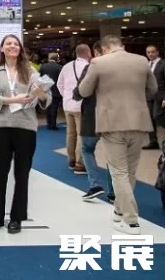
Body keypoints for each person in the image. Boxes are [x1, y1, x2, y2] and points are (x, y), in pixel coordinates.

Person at [78, 34, 157, 235]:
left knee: (119, 172)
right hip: (138, 122)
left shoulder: (98, 63)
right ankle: (120, 210)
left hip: (112, 123)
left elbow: (84, 91)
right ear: (121, 45)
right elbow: (153, 89)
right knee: (130, 171)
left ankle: (131, 221)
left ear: (104, 48)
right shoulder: (141, 61)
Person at [0, 34, 51, 234]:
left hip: (26, 127)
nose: (12, 46)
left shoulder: (30, 71)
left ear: (20, 49)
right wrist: (14, 100)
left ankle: (16, 218)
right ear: (2, 48)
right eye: (8, 43)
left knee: (22, 174)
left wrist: (40, 94)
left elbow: (46, 99)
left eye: (16, 44)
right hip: (2, 126)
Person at [73, 42, 114, 201]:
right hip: (114, 117)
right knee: (113, 154)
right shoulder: (120, 69)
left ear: (96, 52)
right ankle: (113, 192)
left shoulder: (91, 68)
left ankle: (95, 184)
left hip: (93, 115)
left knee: (87, 149)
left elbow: (79, 92)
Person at [57, 44, 91, 174]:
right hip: (81, 105)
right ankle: (80, 164)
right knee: (81, 134)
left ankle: (71, 161)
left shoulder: (66, 66)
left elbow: (59, 84)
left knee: (70, 134)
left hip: (67, 105)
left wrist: (67, 96)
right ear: (88, 52)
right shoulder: (88, 67)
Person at [144, 45, 165, 150]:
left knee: (157, 116)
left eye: (152, 52)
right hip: (148, 96)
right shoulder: (147, 65)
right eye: (148, 52)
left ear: (157, 52)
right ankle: (153, 142)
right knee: (149, 119)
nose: (150, 54)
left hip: (160, 96)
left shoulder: (163, 64)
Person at [40, 53, 62, 130]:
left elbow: (40, 78)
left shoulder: (43, 67)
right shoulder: (60, 67)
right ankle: (52, 125)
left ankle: (49, 123)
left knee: (48, 107)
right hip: (56, 90)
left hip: (45, 90)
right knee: (54, 108)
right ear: (57, 59)